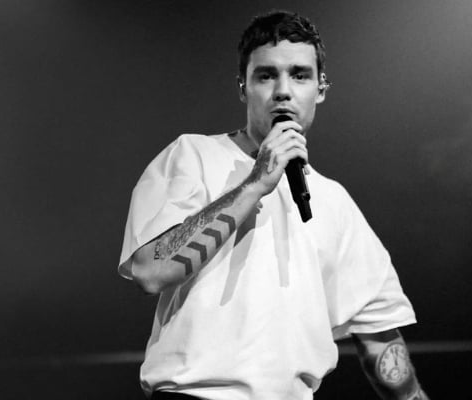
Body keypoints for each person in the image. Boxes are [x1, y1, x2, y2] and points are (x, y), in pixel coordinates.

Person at [118, 10, 428, 400]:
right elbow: (150, 270)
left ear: (320, 89)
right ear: (243, 87)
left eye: (300, 75)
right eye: (266, 75)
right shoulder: (193, 155)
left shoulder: (335, 202)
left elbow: (379, 335)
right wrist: (256, 183)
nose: (283, 91)